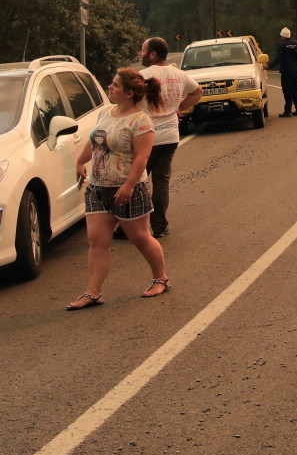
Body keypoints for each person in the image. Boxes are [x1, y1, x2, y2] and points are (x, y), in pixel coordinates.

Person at [67, 69, 170, 308]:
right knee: (96, 241)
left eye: (114, 85)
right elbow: (94, 142)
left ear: (129, 93)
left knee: (140, 238)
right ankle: (93, 292)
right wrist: (80, 161)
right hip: (98, 188)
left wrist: (128, 185)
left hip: (128, 189)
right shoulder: (106, 113)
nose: (110, 87)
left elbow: (142, 158)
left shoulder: (141, 121)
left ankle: (161, 279)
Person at [139, 37, 202, 239]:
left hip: (145, 136)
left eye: (142, 50)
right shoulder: (178, 74)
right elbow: (197, 91)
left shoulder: (143, 76)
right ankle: (160, 226)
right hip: (171, 135)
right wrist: (178, 108)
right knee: (161, 182)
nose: (140, 54)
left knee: (137, 182)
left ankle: (129, 227)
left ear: (152, 54)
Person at [273, 26, 297, 118]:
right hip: (296, 70)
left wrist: (269, 66)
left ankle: (288, 111)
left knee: (287, 91)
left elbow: (278, 58)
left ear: (282, 35)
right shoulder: (296, 43)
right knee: (295, 90)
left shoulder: (281, 45)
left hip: (286, 71)